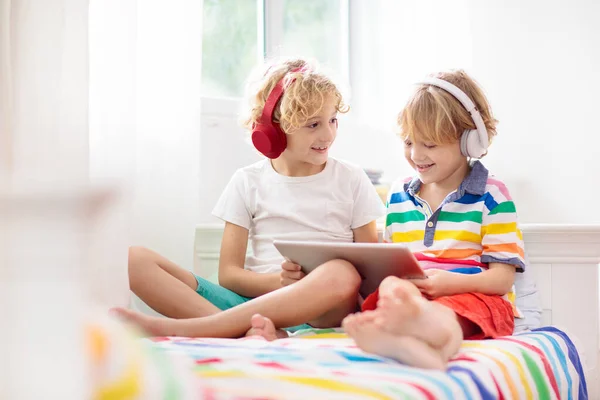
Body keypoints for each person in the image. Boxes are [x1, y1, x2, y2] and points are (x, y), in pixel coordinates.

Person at [113, 58, 385, 338]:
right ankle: (249, 332)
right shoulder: (247, 181)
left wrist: (306, 286)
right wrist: (277, 283)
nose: (328, 134)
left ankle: (207, 329)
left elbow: (369, 273)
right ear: (273, 130)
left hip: (321, 312)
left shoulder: (351, 178)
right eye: (313, 124)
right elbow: (229, 275)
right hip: (252, 305)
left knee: (343, 273)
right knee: (132, 260)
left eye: (332, 120)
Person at [343, 70, 525, 370]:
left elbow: (502, 278)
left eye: (430, 145)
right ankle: (400, 335)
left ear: (469, 142)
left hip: (475, 296)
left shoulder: (492, 195)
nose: (416, 155)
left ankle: (436, 349)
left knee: (446, 314)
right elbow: (391, 262)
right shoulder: (399, 193)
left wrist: (449, 285)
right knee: (389, 284)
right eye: (408, 142)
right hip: (417, 298)